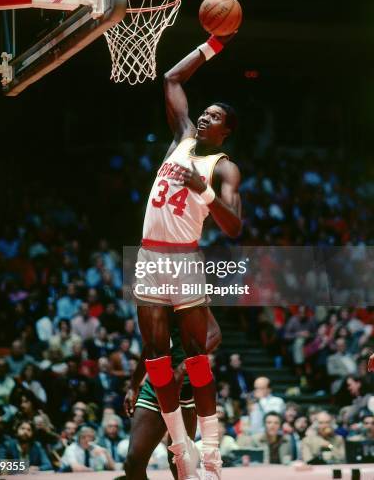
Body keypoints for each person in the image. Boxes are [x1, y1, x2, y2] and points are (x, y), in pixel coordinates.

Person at [136, 34, 242, 480]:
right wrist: (213, 44)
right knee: (156, 358)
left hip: (183, 259)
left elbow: (234, 226)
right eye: (205, 111)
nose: (204, 116)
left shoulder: (222, 165)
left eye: (215, 116)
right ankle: (181, 448)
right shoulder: (180, 138)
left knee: (196, 356)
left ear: (225, 131)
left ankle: (211, 453)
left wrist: (205, 191)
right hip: (149, 256)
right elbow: (172, 77)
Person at [123, 309, 221, 480]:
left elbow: (214, 334)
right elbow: (150, 346)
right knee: (133, 462)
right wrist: (134, 385)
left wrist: (184, 367)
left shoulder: (185, 290)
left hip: (184, 387)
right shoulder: (150, 297)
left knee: (178, 463)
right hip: (155, 383)